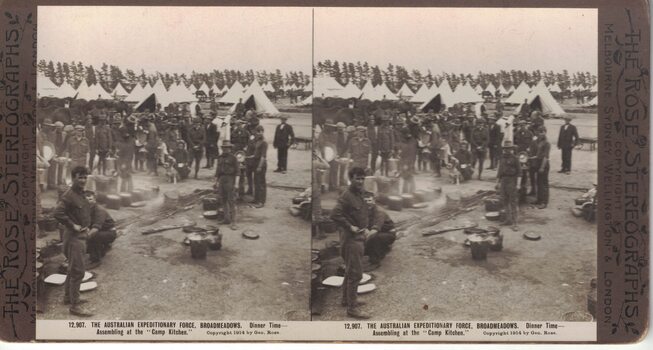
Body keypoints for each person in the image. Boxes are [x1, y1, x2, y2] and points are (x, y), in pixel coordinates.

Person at [330, 167, 372, 319]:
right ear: (351, 179)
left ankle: (346, 299)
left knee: (350, 270)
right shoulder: (347, 195)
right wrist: (350, 226)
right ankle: (352, 309)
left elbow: (361, 213)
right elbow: (334, 214)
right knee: (356, 273)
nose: (360, 182)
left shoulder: (360, 193)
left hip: (359, 238)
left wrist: (365, 227)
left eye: (362, 179)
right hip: (351, 240)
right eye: (357, 179)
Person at [53, 166, 94, 317]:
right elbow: (57, 213)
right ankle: (75, 306)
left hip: (81, 236)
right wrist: (72, 225)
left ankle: (67, 297)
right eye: (80, 177)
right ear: (73, 178)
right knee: (78, 271)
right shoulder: (69, 195)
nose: (83, 180)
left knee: (72, 269)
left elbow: (83, 212)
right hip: (74, 238)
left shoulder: (81, 193)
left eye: (85, 177)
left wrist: (86, 226)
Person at [362, 193, 397, 266]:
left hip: (388, 233)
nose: (367, 202)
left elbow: (375, 230)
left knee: (374, 238)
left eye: (369, 200)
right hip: (379, 231)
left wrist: (365, 239)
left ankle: (375, 262)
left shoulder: (379, 211)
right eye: (365, 201)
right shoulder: (364, 209)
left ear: (374, 201)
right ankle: (383, 249)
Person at [84, 191, 117, 268]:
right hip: (101, 230)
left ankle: (96, 260)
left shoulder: (99, 210)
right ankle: (103, 248)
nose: (88, 201)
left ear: (95, 200)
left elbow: (96, 228)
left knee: (93, 237)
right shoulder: (86, 209)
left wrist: (86, 237)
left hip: (109, 232)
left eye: (90, 199)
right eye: (85, 200)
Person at [215, 140, 239, 230]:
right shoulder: (220, 157)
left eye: (227, 148)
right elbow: (218, 171)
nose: (225, 149)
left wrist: (236, 184)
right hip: (222, 180)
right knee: (223, 200)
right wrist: (216, 182)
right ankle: (226, 219)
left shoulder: (233, 158)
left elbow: (237, 172)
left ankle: (234, 222)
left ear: (230, 148)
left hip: (230, 180)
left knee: (231, 201)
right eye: (224, 148)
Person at [496, 140, 520, 231]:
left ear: (512, 149)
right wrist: (497, 182)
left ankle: (515, 223)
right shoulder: (502, 158)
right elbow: (499, 171)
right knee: (505, 201)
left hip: (512, 181)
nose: (507, 150)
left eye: (509, 149)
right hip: (503, 181)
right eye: (506, 149)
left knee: (513, 202)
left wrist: (518, 184)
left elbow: (519, 172)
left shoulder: (515, 158)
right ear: (504, 149)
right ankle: (508, 219)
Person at [534, 127, 551, 208]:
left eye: (542, 132)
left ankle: (544, 202)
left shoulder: (547, 143)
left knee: (544, 184)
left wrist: (542, 167)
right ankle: (539, 200)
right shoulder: (539, 141)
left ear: (545, 132)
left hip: (544, 164)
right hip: (538, 163)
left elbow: (545, 157)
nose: (540, 134)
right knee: (539, 182)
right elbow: (538, 154)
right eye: (539, 132)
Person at [252, 125, 268, 208]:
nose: (258, 133)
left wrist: (259, 166)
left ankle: (261, 201)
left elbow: (263, 156)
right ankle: (256, 199)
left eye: (260, 131)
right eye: (257, 132)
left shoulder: (264, 142)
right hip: (255, 162)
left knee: (261, 183)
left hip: (260, 163)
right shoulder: (257, 141)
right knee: (256, 182)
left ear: (262, 132)